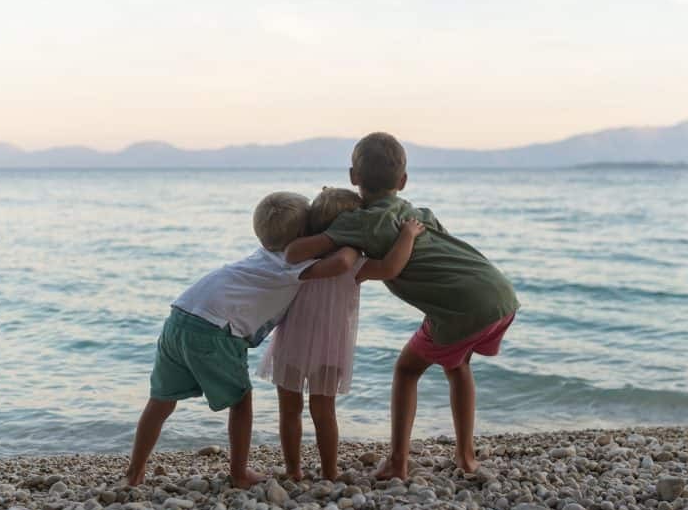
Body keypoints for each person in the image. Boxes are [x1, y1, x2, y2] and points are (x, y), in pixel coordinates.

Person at [286, 133, 521, 480]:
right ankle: (466, 456)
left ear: (353, 177)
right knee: (458, 367)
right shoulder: (418, 213)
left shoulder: (358, 222)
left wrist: (289, 244)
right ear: (403, 181)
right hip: (499, 293)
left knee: (407, 371)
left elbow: (308, 248)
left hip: (461, 309)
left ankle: (398, 461)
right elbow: (443, 251)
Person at [125, 191, 360, 488]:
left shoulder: (262, 254)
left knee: (161, 400)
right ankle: (239, 473)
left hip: (180, 314)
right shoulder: (292, 262)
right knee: (241, 401)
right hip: (216, 328)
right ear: (302, 236)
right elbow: (340, 264)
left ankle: (134, 472)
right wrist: (351, 238)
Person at [257, 187, 424, 480]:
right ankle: (330, 473)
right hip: (330, 347)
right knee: (324, 412)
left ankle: (294, 471)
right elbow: (390, 267)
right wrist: (407, 235)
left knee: (289, 410)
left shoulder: (300, 254)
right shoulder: (354, 262)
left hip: (291, 343)